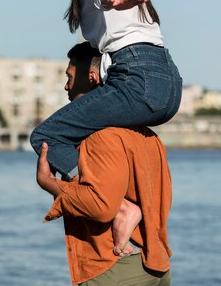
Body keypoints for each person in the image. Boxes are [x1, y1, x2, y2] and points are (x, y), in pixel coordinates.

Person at [30, 0, 198, 180]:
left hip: (136, 80)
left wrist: (113, 1)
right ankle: (118, 186)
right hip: (169, 85)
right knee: (91, 131)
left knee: (47, 135)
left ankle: (108, 198)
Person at [37, 42, 172, 285]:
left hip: (116, 265)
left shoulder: (100, 137)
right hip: (155, 263)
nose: (66, 86)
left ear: (91, 78)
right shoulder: (146, 135)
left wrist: (50, 183)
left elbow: (101, 207)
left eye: (69, 77)